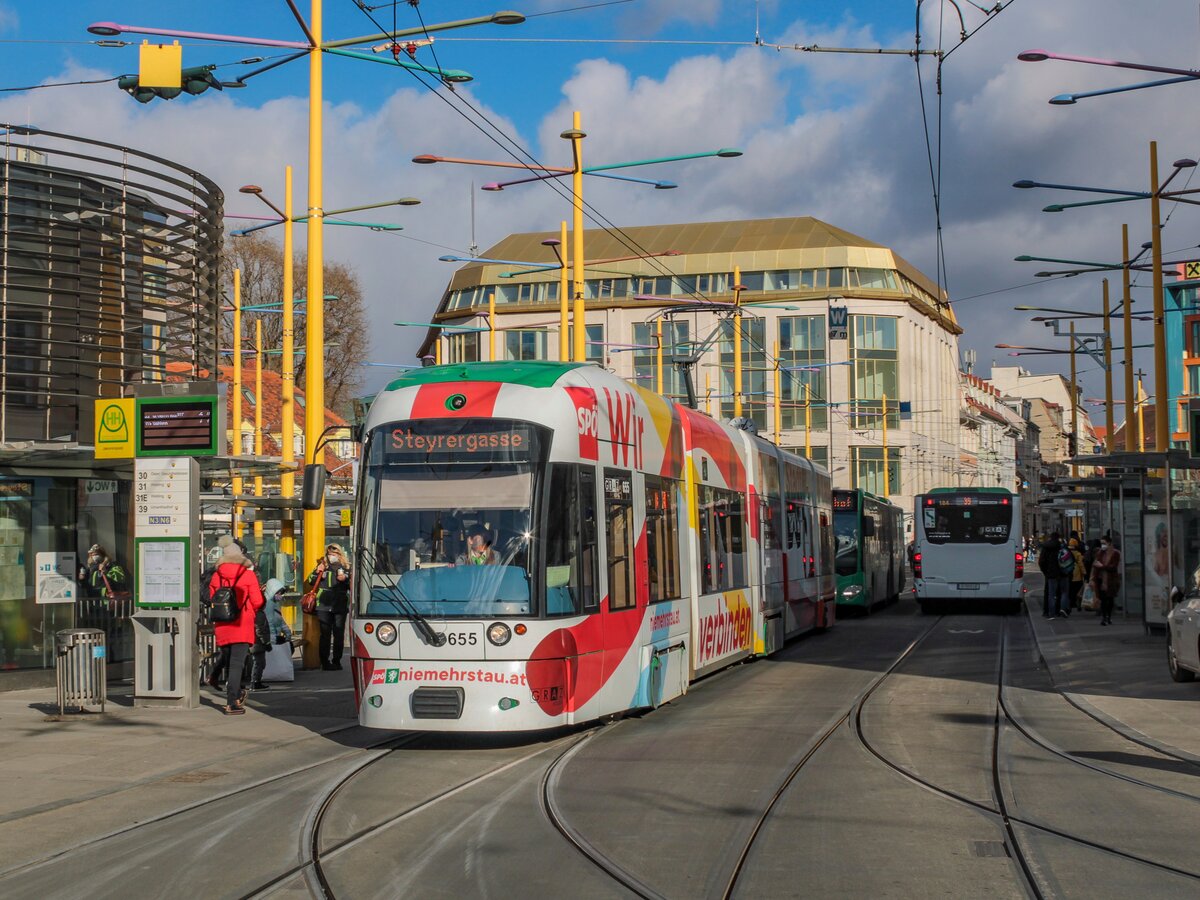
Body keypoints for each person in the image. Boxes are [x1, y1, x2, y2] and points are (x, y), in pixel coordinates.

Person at [209, 535, 264, 714]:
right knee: (237, 663)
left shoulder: (217, 575)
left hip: (223, 624)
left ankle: (232, 689)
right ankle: (232, 702)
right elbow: (257, 601)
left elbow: (212, 597)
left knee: (230, 661)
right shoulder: (247, 575)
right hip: (241, 623)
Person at [308, 543, 351, 671]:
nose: (331, 556)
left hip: (340, 604)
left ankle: (337, 661)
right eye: (329, 554)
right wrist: (317, 572)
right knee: (325, 634)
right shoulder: (322, 566)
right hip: (323, 605)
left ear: (339, 554)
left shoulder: (346, 567)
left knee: (339, 633)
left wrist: (345, 579)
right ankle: (325, 662)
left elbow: (353, 584)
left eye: (334, 553)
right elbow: (311, 580)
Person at [1090, 535, 1122, 626]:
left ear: (1109, 543)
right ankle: (1104, 617)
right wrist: (1092, 578)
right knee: (1103, 599)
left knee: (1110, 598)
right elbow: (1095, 564)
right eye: (1101, 543)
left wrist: (1102, 566)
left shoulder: (1115, 553)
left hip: (1111, 579)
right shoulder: (1100, 552)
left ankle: (1108, 616)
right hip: (1100, 579)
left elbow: (1114, 566)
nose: (1102, 545)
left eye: (1104, 543)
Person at [1037, 532, 1068, 619]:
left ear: (1050, 537)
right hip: (1063, 572)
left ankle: (1050, 613)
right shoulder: (1062, 546)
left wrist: (1045, 572)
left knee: (1051, 594)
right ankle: (1062, 610)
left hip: (1051, 574)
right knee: (1063, 592)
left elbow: (1041, 562)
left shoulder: (1046, 547)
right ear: (1058, 538)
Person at [1067, 537, 1086, 611]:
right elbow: (1081, 564)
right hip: (1077, 574)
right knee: (1077, 590)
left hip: (1068, 573)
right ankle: (1077, 604)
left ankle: (1070, 603)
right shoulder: (1078, 554)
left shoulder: (1066, 552)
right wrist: (1084, 572)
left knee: (1070, 590)